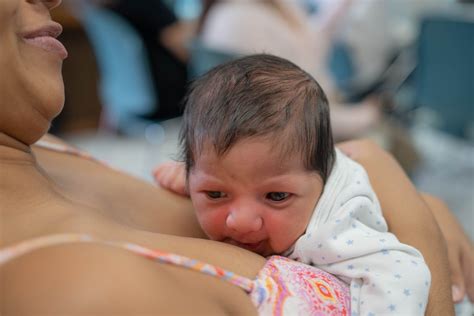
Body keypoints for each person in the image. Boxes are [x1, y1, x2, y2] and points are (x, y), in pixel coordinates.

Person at [0, 0, 470, 315]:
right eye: (215, 193)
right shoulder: (63, 286)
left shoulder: (42, 147)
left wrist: (404, 201)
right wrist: (404, 200)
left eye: (276, 196)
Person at [154, 54, 431, 315]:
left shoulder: (331, 232)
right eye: (216, 193)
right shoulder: (273, 173)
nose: (241, 221)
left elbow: (405, 271)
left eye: (275, 196)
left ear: (322, 181)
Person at [196, 0, 381, 141]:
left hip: (317, 120)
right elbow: (286, 115)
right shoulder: (237, 19)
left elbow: (310, 49)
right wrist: (365, 116)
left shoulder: (276, 6)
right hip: (293, 140)